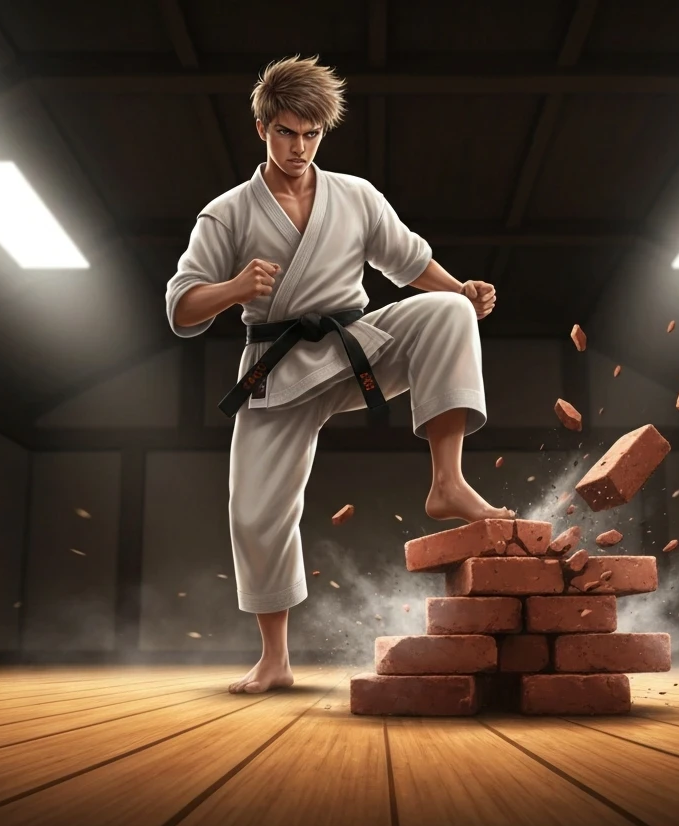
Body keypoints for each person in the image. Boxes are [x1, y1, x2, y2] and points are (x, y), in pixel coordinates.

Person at [165, 54, 513, 695]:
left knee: (447, 312)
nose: (298, 147)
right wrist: (235, 287)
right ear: (262, 128)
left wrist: (460, 288)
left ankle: (448, 482)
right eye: (285, 133)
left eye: (310, 134)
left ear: (323, 132)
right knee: (255, 515)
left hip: (357, 348)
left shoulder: (354, 196)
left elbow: (410, 262)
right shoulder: (228, 213)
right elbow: (181, 308)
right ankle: (275, 658)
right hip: (276, 368)